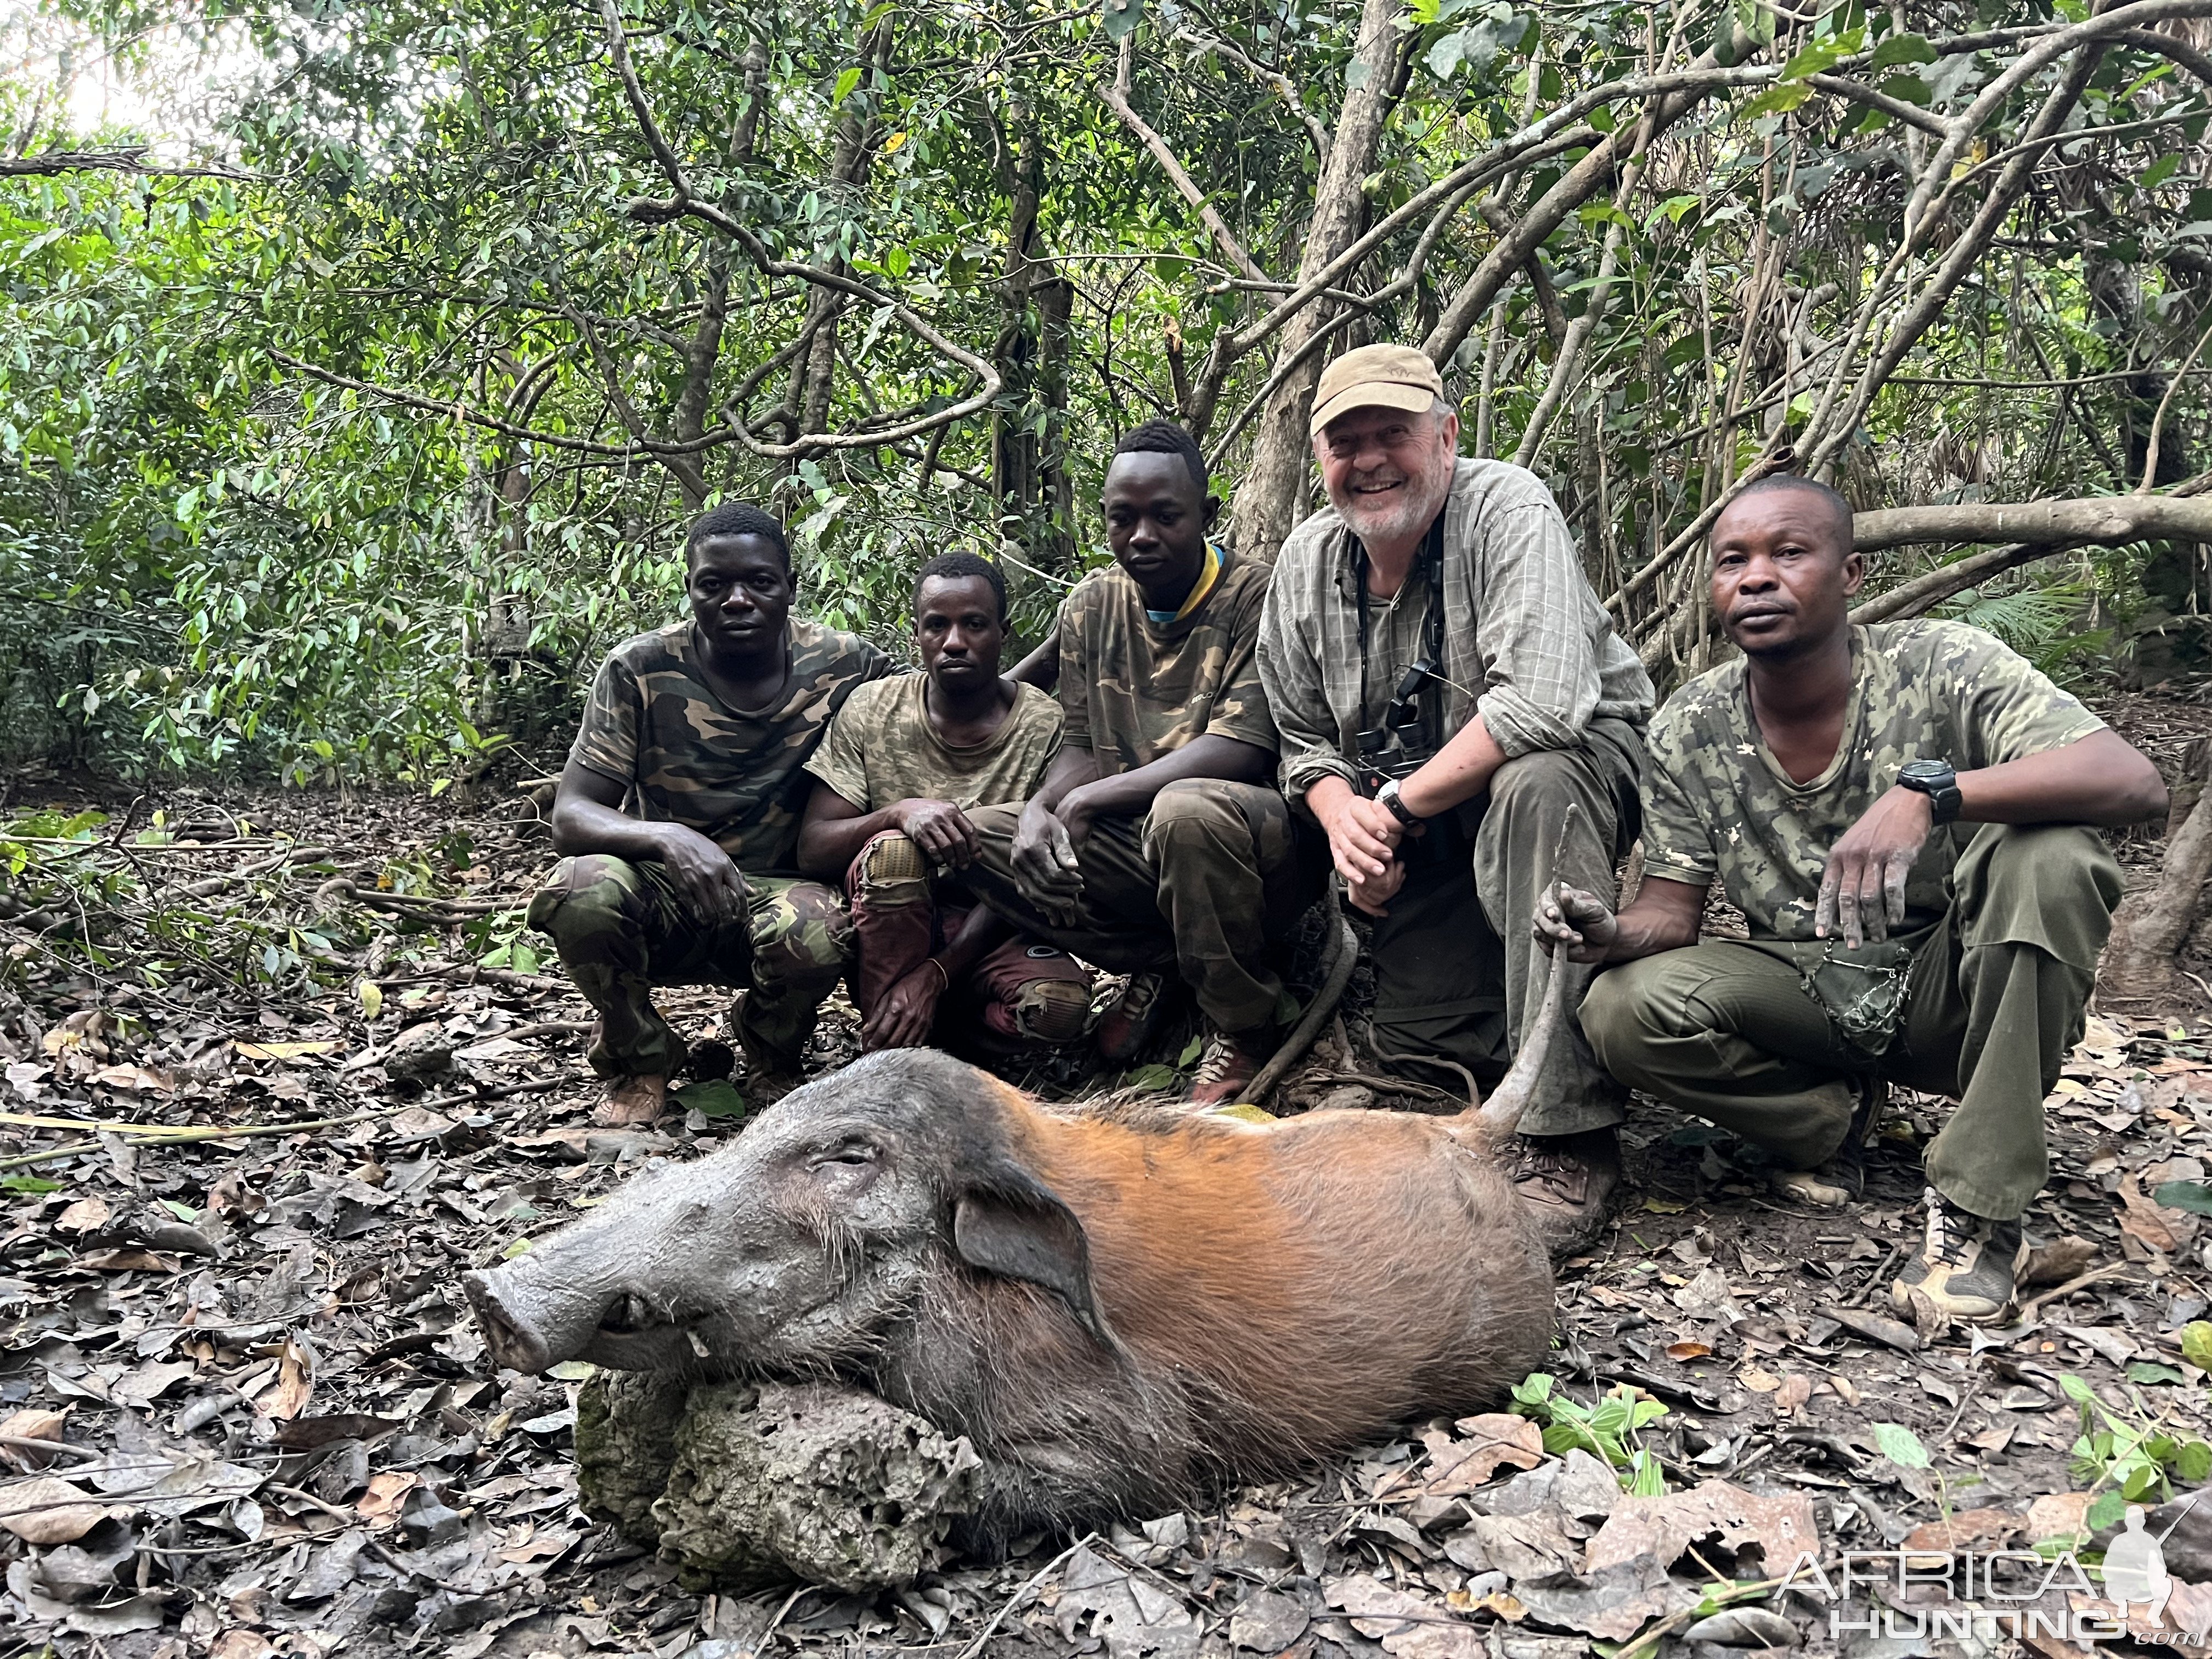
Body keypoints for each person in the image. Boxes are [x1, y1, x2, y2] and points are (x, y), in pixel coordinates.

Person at [1536, 475, 2165, 1321]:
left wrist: (1932, 794)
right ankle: (1831, 1124)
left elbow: (2131, 782)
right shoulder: (1688, 726)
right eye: (1733, 562)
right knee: (1623, 1009)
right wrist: (1609, 931)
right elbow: (1672, 914)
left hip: (1962, 984)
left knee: (2053, 853)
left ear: (1851, 573)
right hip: (1806, 987)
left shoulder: (1942, 664)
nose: (1756, 578)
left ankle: (1981, 1205)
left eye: (1788, 553)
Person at [1257, 342, 1653, 1249]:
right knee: (1426, 1047)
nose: (1367, 460)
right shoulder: (1305, 561)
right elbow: (1302, 736)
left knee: (1535, 779)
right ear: (1318, 458)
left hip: (1566, 771)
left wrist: (1390, 808)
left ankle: (1568, 1135)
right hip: (1425, 804)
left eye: (1391, 433)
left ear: (1445, 434)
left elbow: (1546, 702)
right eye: (1343, 442)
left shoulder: (1506, 504)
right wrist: (1344, 823)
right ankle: (1476, 1057)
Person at [963, 420, 1312, 1104]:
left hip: (1253, 845)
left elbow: (1240, 749)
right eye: (1124, 519)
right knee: (977, 836)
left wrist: (1088, 802)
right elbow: (1083, 747)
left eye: (1165, 516)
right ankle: (1165, 962)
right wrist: (1041, 809)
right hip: (1141, 842)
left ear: (1207, 517)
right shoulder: (1091, 605)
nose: (1143, 536)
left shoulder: (1256, 595)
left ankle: (1241, 1022)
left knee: (1186, 814)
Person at [529, 503, 890, 1124]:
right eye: (714, 585)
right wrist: (666, 837)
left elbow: (938, 710)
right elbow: (572, 816)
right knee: (577, 888)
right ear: (690, 590)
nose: (738, 600)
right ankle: (640, 1058)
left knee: (818, 929)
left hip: (784, 890)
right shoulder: (639, 668)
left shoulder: (847, 665)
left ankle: (769, 1048)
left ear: (790, 589)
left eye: (759, 582)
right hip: (667, 889)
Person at [795, 551, 1093, 1059]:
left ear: (1002, 632)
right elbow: (813, 847)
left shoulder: (1046, 725)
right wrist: (898, 812)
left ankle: (935, 1034)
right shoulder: (873, 708)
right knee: (895, 851)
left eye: (974, 624)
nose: (954, 642)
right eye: (938, 625)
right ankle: (891, 1050)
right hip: (888, 921)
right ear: (917, 633)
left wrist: (936, 976)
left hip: (989, 927)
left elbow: (1032, 880)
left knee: (1057, 1010)